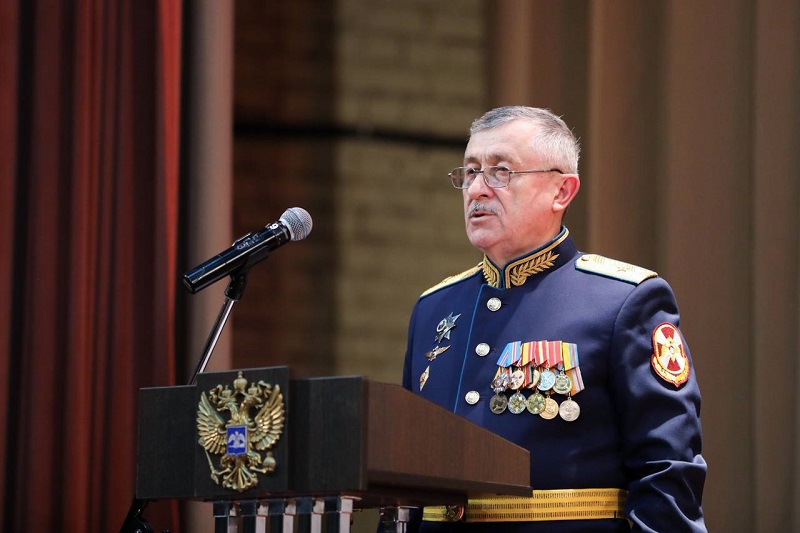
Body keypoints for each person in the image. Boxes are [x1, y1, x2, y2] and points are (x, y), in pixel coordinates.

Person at [401, 106, 706, 532]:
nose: (477, 189)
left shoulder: (622, 300)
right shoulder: (434, 308)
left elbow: (667, 473)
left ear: (562, 191)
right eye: (470, 172)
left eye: (501, 171)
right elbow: (403, 481)